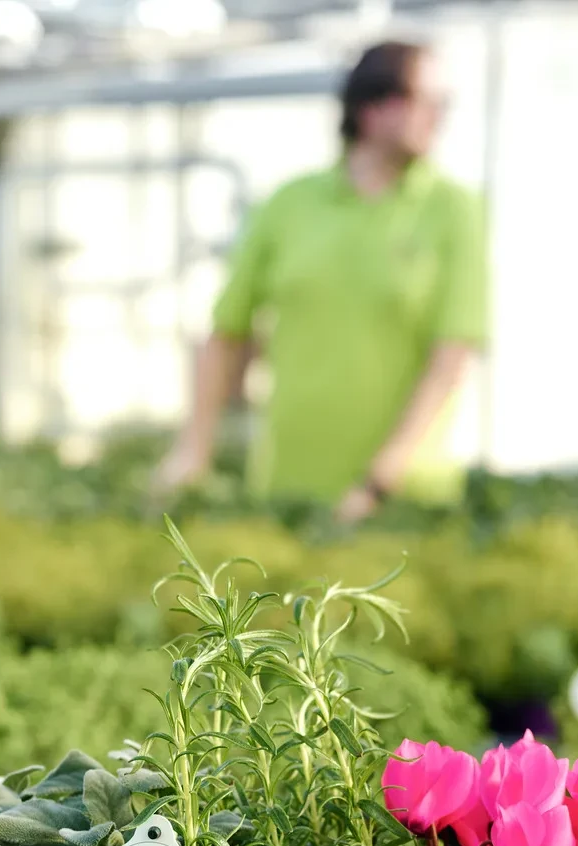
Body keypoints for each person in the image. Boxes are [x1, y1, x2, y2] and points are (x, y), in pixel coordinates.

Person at [156, 41, 488, 523]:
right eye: (427, 101)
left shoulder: (453, 210)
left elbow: (453, 352)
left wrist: (381, 477)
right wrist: (193, 448)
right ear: (373, 108)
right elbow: (226, 332)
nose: (440, 116)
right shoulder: (289, 204)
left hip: (405, 502)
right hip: (289, 490)